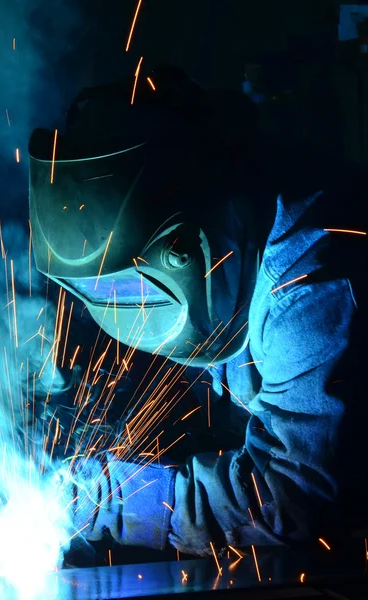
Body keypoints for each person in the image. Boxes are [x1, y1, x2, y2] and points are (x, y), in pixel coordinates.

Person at [27, 66, 368, 556]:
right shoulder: (203, 239)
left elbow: (290, 500)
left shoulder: (315, 278)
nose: (121, 300)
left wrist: (103, 498)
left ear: (195, 241)